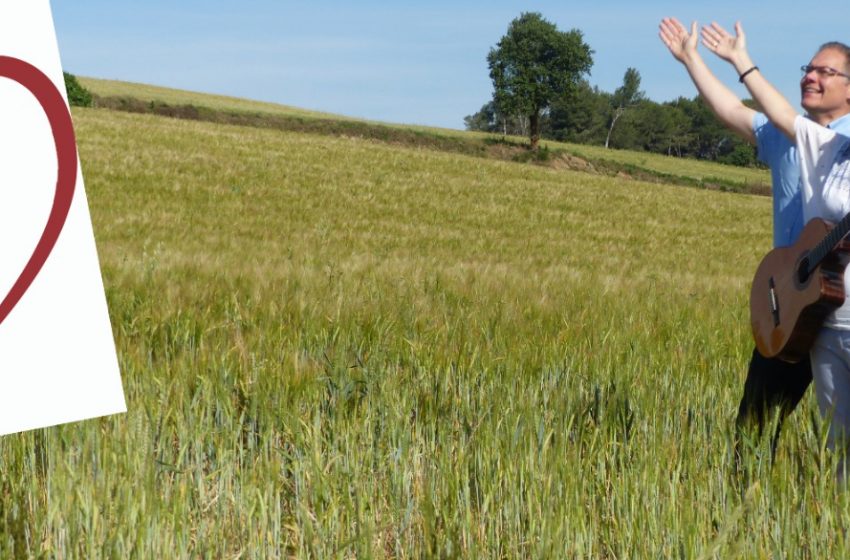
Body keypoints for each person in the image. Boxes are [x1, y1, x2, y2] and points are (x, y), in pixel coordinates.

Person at [659, 18, 850, 460]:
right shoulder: (789, 136)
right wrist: (691, 59)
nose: (810, 76)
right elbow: (732, 110)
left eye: (824, 71)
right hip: (789, 304)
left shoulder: (839, 143)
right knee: (753, 433)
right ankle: (751, 498)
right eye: (807, 69)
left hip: (842, 312)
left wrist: (742, 61)